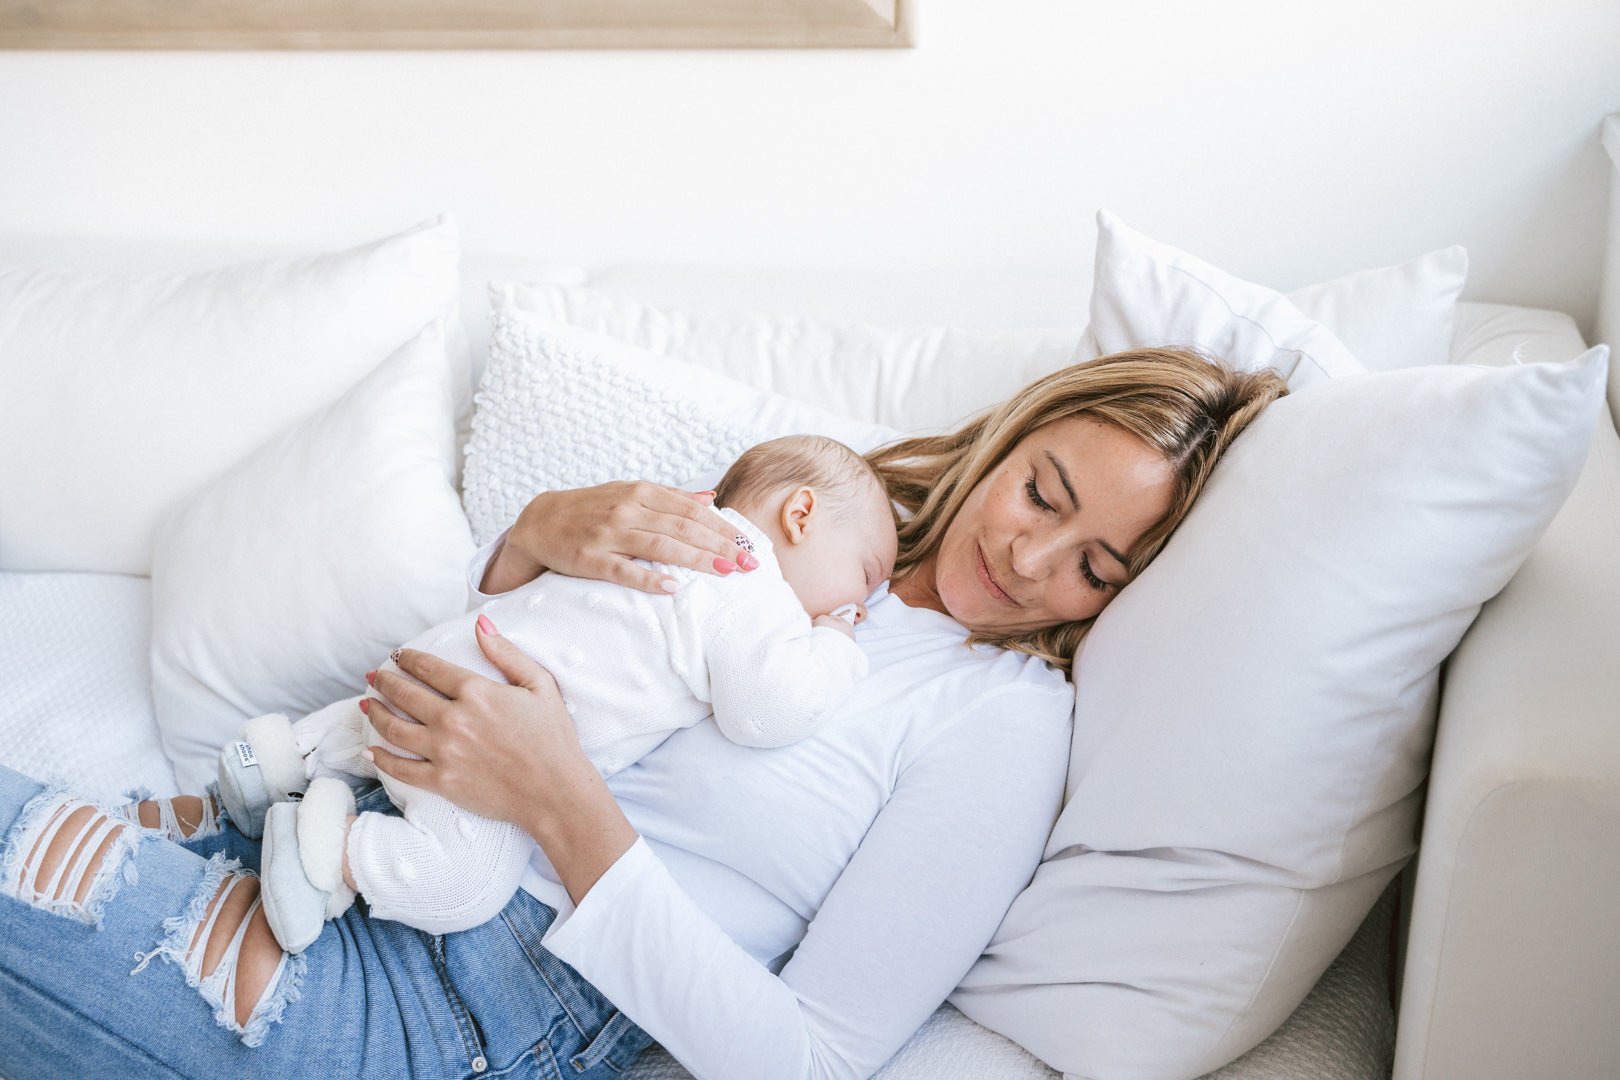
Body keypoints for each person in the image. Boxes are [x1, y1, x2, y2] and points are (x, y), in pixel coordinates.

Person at [0, 348, 1287, 1079]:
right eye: (1043, 492)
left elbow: (812, 1060)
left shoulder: (1000, 723)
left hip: (463, 1000)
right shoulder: (807, 523)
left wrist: (563, 803)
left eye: (1097, 566)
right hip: (337, 826)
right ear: (1010, 438)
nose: (1031, 558)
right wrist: (528, 540)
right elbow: (566, 651)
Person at [215, 434, 898, 955]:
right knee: (466, 886)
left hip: (434, 664)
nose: (864, 602)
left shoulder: (663, 525)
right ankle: (324, 847)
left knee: (380, 725)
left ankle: (282, 757)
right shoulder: (751, 585)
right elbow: (769, 710)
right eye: (866, 576)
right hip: (491, 728)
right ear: (800, 516)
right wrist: (837, 642)